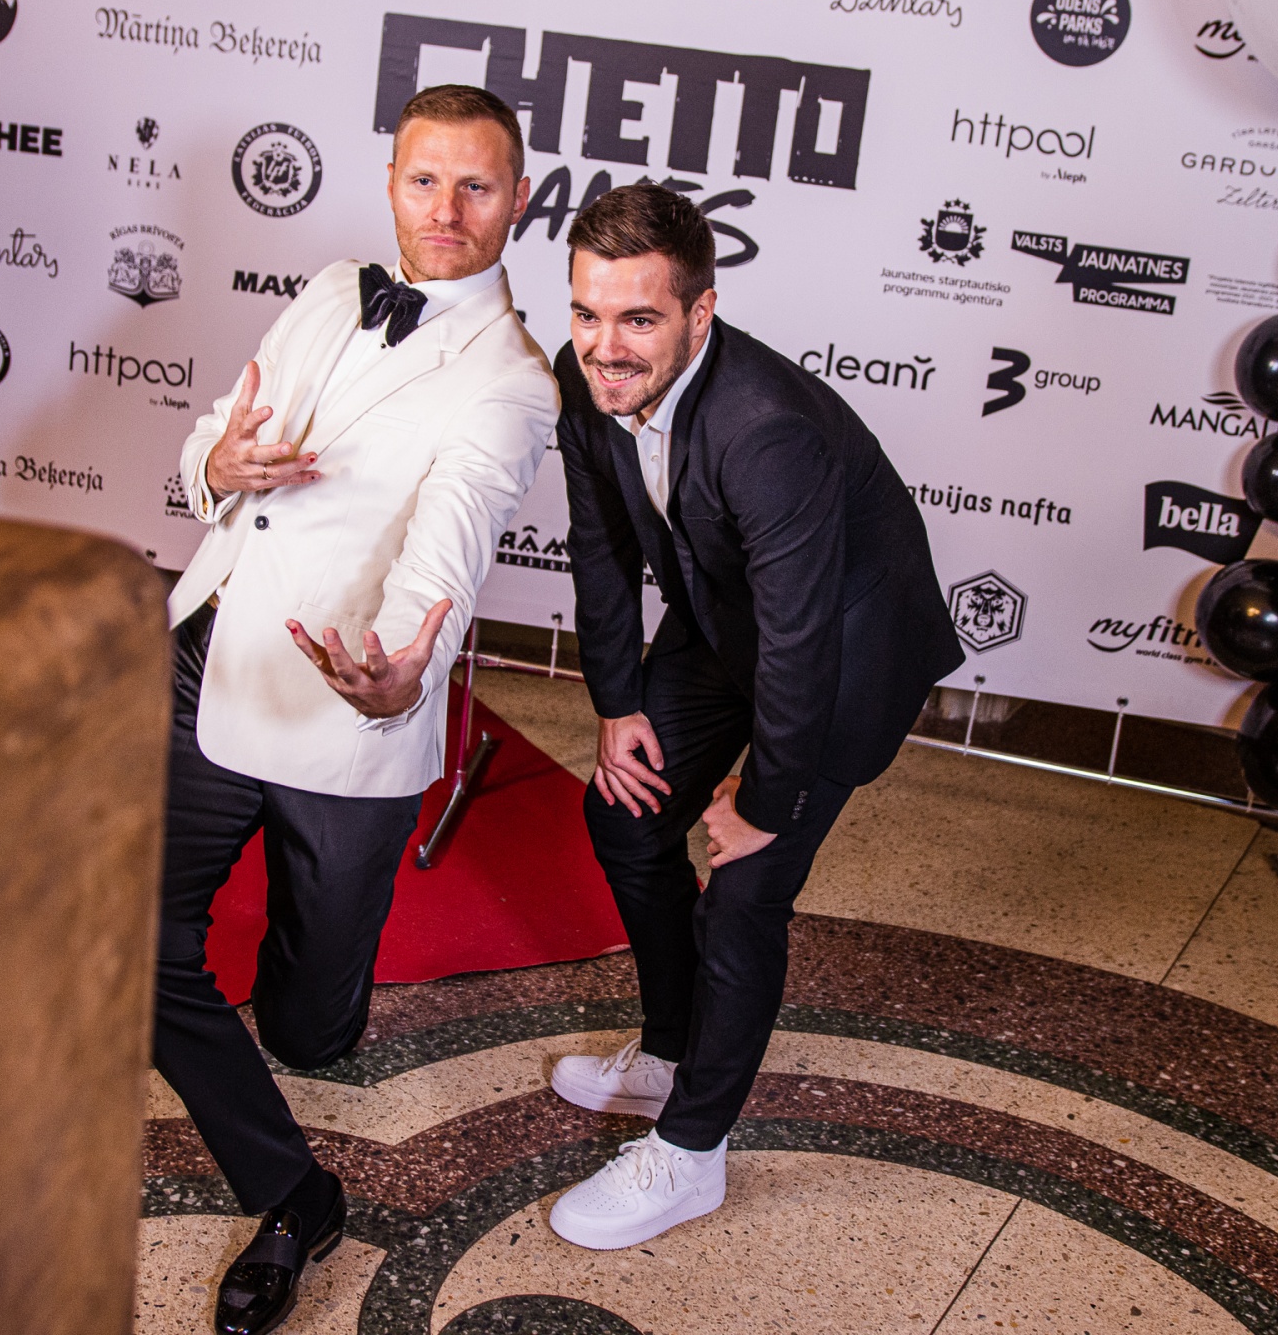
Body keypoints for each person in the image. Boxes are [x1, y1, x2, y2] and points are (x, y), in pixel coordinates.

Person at [155, 85, 557, 1335]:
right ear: (390, 182)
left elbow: (451, 541)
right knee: (129, 941)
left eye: (476, 186)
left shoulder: (514, 380)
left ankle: (308, 1010)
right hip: (214, 657)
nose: (446, 209)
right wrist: (215, 466)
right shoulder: (333, 287)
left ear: (519, 200)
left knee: (310, 1028)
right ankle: (295, 1196)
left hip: (347, 703)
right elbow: (220, 432)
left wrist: (400, 672)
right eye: (424, 179)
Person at [544, 183, 963, 1249]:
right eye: (587, 313)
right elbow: (600, 547)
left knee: (743, 892)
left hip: (844, 656)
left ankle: (690, 1154)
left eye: (639, 319)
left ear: (702, 311)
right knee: (623, 815)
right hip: (723, 615)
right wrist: (618, 702)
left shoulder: (766, 430)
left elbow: (804, 639)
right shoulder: (584, 377)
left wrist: (765, 801)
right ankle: (672, 1050)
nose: (605, 347)